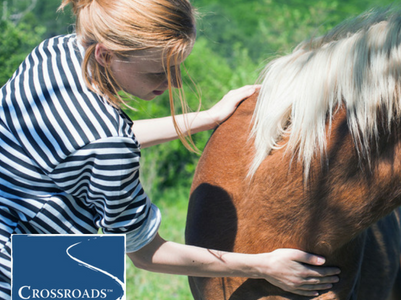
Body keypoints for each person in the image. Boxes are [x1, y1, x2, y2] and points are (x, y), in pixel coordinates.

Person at [0, 0, 340, 298]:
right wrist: (264, 266)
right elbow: (146, 254)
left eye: (177, 66)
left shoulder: (56, 53)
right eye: (158, 72)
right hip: (28, 266)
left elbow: (84, 142)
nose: (174, 82)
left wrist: (205, 118)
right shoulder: (108, 147)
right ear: (105, 55)